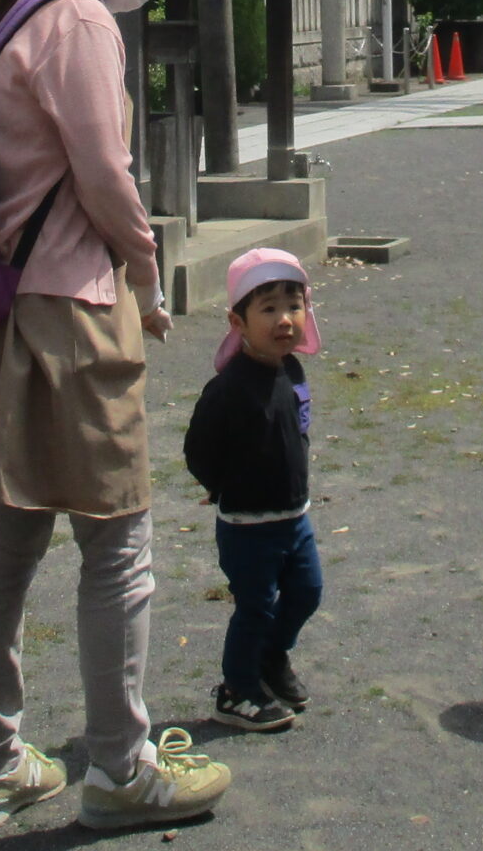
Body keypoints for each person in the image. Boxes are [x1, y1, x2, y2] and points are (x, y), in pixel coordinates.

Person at [0, 0, 232, 835]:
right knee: (117, 544)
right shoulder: (79, 21)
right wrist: (147, 273)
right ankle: (120, 769)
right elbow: (106, 176)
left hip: (1, 310)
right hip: (69, 308)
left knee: (5, 547)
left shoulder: (22, 13)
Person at [182, 247, 325, 733]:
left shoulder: (293, 371)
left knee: (307, 592)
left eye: (294, 305)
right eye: (268, 308)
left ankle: (271, 658)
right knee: (256, 605)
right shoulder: (228, 389)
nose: (284, 319)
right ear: (238, 321)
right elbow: (199, 448)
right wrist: (218, 484)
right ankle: (237, 689)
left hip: (294, 518)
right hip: (247, 526)